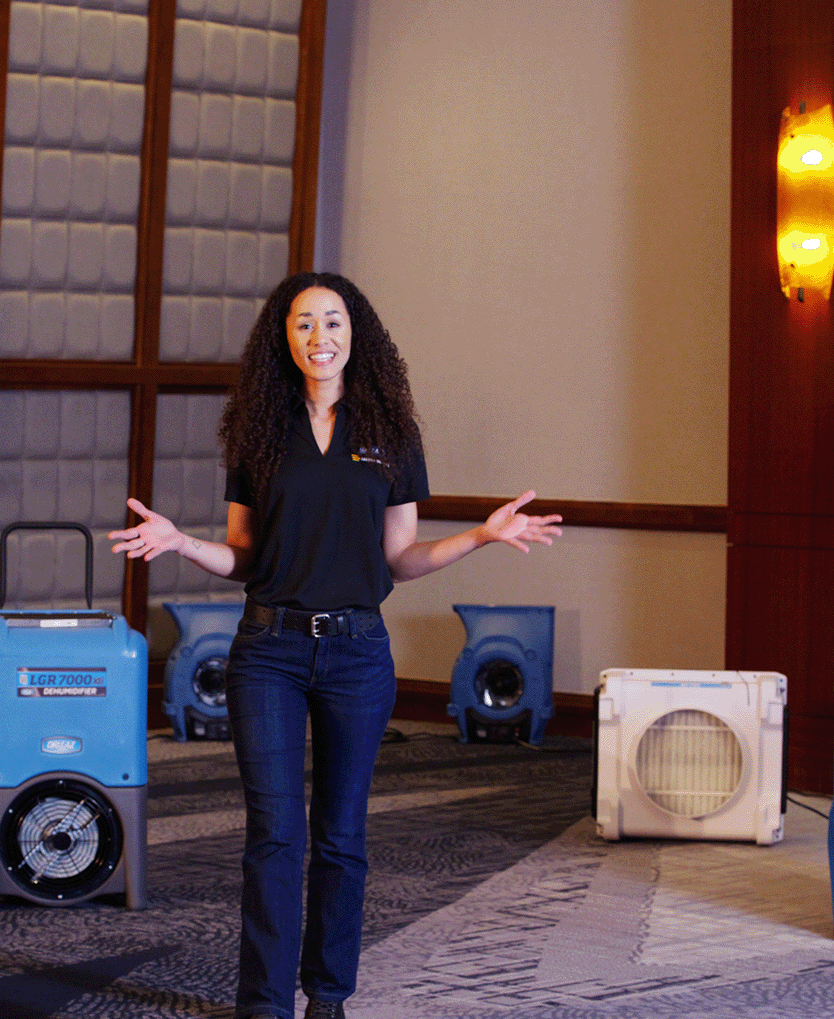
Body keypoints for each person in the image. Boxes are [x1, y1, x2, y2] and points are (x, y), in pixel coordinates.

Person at [111, 272, 562, 1019]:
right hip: (269, 653)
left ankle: (327, 996)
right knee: (274, 838)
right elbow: (244, 559)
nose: (319, 338)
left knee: (342, 836)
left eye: (333, 323)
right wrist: (179, 543)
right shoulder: (259, 430)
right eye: (303, 325)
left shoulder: (389, 433)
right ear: (282, 339)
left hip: (357, 655)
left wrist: (482, 536)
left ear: (358, 336)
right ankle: (263, 1004)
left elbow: (400, 561)